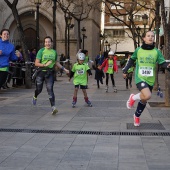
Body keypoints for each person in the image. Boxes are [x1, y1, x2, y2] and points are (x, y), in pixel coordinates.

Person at [123, 31, 170, 127]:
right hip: (140, 77)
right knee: (147, 95)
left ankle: (136, 115)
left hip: (150, 79)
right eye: (148, 36)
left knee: (144, 99)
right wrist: (125, 70)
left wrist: (168, 66)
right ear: (144, 38)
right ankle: (133, 97)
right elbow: (132, 59)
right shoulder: (139, 50)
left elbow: (162, 63)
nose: (151, 37)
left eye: (152, 36)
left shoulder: (156, 51)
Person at [32, 36, 69, 115]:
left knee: (50, 90)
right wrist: (44, 64)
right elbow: (36, 63)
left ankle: (53, 108)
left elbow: (56, 62)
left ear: (51, 43)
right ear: (44, 43)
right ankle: (35, 96)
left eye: (49, 42)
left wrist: (64, 69)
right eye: (46, 42)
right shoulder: (41, 51)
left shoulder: (54, 52)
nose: (47, 43)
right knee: (39, 89)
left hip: (50, 73)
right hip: (41, 72)